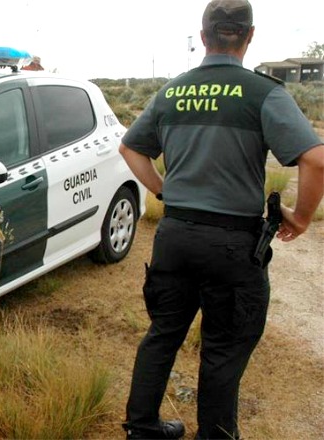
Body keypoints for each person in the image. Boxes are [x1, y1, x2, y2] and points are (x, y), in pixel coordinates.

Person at [118, 0, 324, 439]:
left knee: (162, 334)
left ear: (204, 36)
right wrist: (302, 218)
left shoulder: (171, 91)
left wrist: (162, 191)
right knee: (223, 350)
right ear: (249, 37)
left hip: (174, 236)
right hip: (232, 244)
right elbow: (316, 159)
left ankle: (142, 428)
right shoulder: (264, 92)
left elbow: (131, 148)